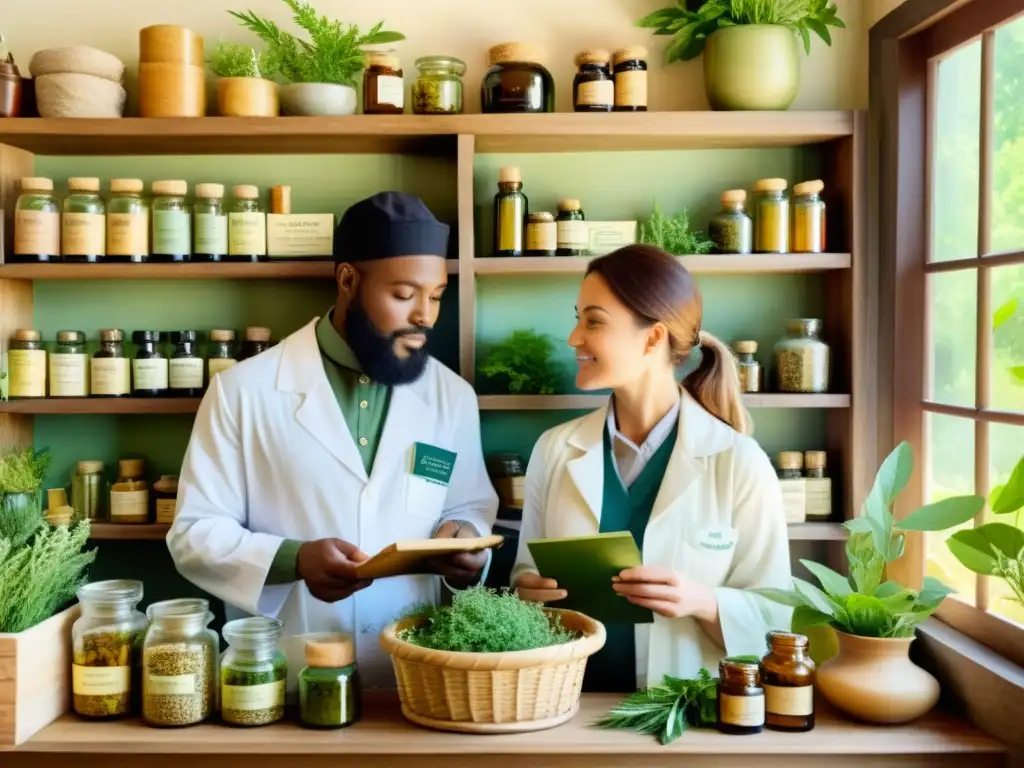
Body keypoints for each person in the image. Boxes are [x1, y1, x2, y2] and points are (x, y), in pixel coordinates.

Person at [168, 191, 498, 690]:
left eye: (435, 295)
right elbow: (194, 532)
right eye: (405, 295)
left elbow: (470, 504)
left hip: (417, 669)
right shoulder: (243, 391)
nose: (425, 316)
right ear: (348, 279)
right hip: (285, 671)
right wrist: (293, 560)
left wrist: (468, 545)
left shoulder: (451, 396)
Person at [511, 244, 792, 693]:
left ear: (653, 337)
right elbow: (524, 573)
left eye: (594, 321)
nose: (573, 338)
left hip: (686, 717)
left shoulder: (739, 462)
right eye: (577, 317)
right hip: (564, 707)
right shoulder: (555, 450)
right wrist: (530, 591)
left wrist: (702, 601)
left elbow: (774, 622)